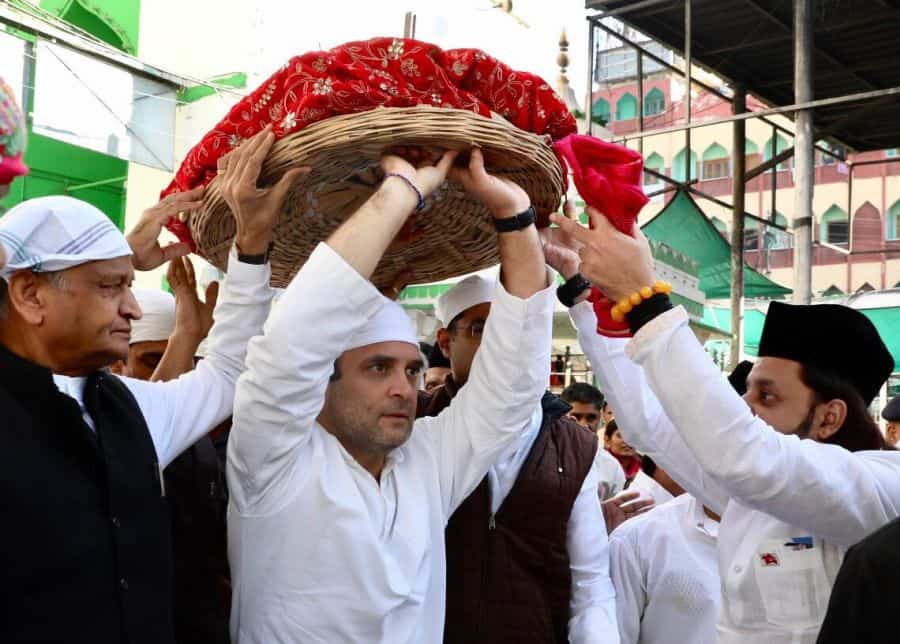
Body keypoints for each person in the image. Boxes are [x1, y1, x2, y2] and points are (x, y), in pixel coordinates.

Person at [226, 147, 557, 643]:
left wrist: (514, 217)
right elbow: (292, 344)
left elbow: (511, 389)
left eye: (411, 369)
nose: (404, 388)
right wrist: (399, 191)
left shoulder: (425, 462)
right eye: (377, 368)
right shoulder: (271, 459)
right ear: (321, 381)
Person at [549, 205, 900, 643]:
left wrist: (644, 298)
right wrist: (583, 292)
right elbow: (650, 424)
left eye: (766, 396)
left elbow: (749, 456)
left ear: (829, 417)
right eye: (745, 391)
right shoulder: (751, 496)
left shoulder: (884, 489)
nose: (744, 407)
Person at [0, 127, 292, 644]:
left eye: (129, 285)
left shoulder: (129, 410)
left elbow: (225, 371)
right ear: (29, 295)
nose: (133, 308)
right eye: (112, 287)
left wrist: (252, 251)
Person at [420, 273, 617, 643]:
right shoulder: (414, 425)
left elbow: (589, 581)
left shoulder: (574, 446)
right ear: (446, 343)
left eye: (511, 328)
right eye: (481, 329)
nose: (501, 343)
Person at [112, 260, 230, 644]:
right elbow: (146, 432)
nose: (180, 377)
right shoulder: (91, 431)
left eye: (189, 360)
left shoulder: (209, 443)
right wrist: (186, 335)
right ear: (118, 365)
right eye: (150, 360)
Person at [561, 381, 627, 500]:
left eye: (591, 418)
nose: (584, 425)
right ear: (561, 416)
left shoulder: (612, 467)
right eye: (576, 417)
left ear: (600, 418)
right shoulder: (543, 457)